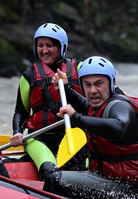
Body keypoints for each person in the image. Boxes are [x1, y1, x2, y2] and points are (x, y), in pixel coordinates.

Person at [48, 56, 138, 199]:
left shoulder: (120, 106)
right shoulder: (101, 104)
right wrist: (66, 88)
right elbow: (86, 106)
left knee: (54, 178)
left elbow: (119, 127)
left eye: (98, 84)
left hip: (131, 188)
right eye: (87, 85)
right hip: (115, 180)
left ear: (111, 83)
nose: (93, 90)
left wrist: (76, 117)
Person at [9, 23, 84, 181]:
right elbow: (21, 112)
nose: (44, 50)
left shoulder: (79, 69)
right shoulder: (29, 77)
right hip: (40, 138)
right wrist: (17, 131)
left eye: (50, 45)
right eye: (40, 45)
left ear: (61, 47)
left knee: (87, 169)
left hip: (75, 135)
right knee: (50, 173)